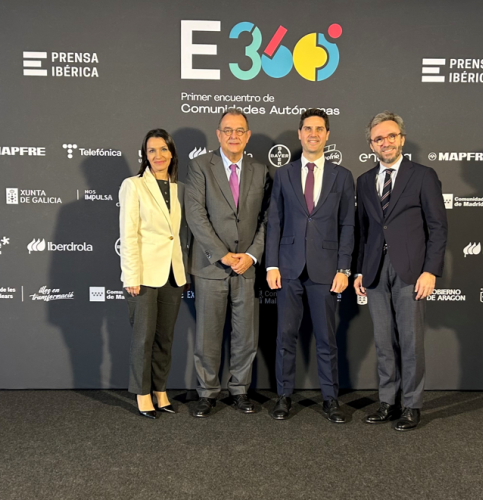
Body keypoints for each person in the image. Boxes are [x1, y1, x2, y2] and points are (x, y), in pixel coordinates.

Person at [354, 111, 447, 431]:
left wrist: (430, 271)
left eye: (391, 136)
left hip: (412, 271)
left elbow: (438, 227)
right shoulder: (364, 181)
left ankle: (411, 405)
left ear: (402, 139)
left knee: (410, 342)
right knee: (383, 342)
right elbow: (363, 232)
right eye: (378, 138)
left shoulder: (423, 175)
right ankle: (387, 401)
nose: (386, 142)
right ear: (371, 145)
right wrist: (359, 272)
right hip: (374, 272)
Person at [265, 108, 355, 423]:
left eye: (319, 129)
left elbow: (347, 225)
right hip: (288, 267)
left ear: (327, 135)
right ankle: (284, 396)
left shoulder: (343, 176)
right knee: (285, 336)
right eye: (307, 128)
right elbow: (274, 221)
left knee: (327, 338)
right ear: (300, 133)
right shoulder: (284, 174)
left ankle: (330, 399)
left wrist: (344, 268)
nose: (313, 134)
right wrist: (271, 265)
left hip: (326, 269)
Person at [185, 108, 271, 418]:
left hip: (246, 266)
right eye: (228, 130)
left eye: (239, 130)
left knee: (245, 334)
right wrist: (221, 253)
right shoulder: (200, 166)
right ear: (218, 134)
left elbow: (267, 218)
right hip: (212, 265)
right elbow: (195, 213)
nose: (234, 135)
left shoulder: (260, 170)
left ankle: (240, 390)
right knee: (208, 335)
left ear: (248, 136)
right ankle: (207, 392)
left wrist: (251, 255)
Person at [119, 129, 190, 419]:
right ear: (145, 155)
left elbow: (178, 235)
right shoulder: (133, 185)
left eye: (163, 149)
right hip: (145, 275)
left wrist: (183, 271)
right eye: (151, 150)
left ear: (171, 153)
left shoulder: (180, 189)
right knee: (143, 339)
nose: (158, 155)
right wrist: (131, 276)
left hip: (173, 274)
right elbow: (128, 234)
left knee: (165, 338)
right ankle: (142, 393)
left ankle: (160, 390)